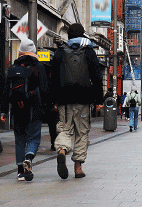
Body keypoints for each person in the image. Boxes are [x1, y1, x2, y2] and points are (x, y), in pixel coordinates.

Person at [51, 23, 103, 179]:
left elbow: (53, 77)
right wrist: (98, 99)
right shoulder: (89, 52)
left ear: (69, 35)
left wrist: (54, 99)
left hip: (64, 99)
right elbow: (97, 77)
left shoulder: (60, 52)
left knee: (64, 129)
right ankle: (78, 167)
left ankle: (61, 150)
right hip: (83, 99)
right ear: (83, 35)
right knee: (82, 132)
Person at [0, 38, 50, 181]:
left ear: (20, 51)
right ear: (33, 51)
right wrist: (48, 107)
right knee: (34, 137)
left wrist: (3, 111)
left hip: (17, 109)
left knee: (19, 139)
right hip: (34, 108)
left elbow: (5, 92)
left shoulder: (12, 69)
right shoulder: (39, 67)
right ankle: (29, 157)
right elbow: (45, 90)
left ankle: (20, 171)